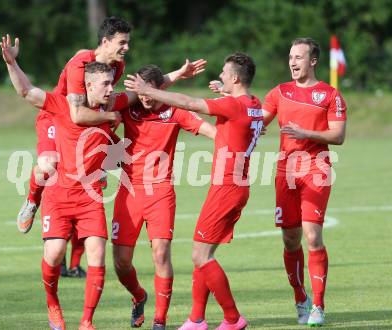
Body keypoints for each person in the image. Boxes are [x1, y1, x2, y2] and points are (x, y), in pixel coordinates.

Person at [70, 63, 215, 330]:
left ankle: (159, 321)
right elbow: (95, 112)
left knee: (161, 254)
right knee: (121, 263)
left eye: (150, 92)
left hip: (161, 191)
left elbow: (212, 131)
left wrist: (238, 138)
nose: (145, 98)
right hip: (129, 191)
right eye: (141, 92)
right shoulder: (128, 108)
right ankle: (139, 295)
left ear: (161, 90)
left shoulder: (175, 112)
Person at [125, 52, 263, 330]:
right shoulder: (253, 104)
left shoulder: (232, 106)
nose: (221, 76)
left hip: (226, 187)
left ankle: (233, 319)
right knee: (202, 251)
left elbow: (188, 102)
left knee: (201, 256)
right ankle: (196, 319)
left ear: (235, 78)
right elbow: (239, 113)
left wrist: (148, 90)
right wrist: (224, 91)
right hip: (237, 185)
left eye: (225, 74)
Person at [1, 34, 125, 330]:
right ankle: (53, 305)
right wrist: (11, 62)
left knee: (97, 253)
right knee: (55, 254)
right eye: (105, 85)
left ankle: (86, 322)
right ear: (89, 86)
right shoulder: (63, 105)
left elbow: (143, 102)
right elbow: (26, 91)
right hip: (58, 194)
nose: (111, 89)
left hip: (91, 197)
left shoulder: (112, 110)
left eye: (112, 83)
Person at [15, 16, 133, 278]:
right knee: (48, 165)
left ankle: (75, 260)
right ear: (105, 41)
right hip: (57, 117)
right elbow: (78, 114)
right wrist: (111, 118)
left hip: (85, 129)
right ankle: (32, 200)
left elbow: (103, 102)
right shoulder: (79, 65)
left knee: (91, 179)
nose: (126, 48)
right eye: (122, 43)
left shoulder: (117, 65)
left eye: (127, 43)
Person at [261, 37, 347, 326]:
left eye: (298, 57)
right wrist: (234, 101)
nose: (292, 62)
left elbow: (338, 136)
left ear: (312, 61)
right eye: (290, 57)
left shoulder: (330, 94)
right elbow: (259, 120)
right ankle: (300, 298)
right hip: (286, 170)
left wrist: (307, 134)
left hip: (316, 168)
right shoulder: (280, 92)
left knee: (312, 236)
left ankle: (318, 306)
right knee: (290, 239)